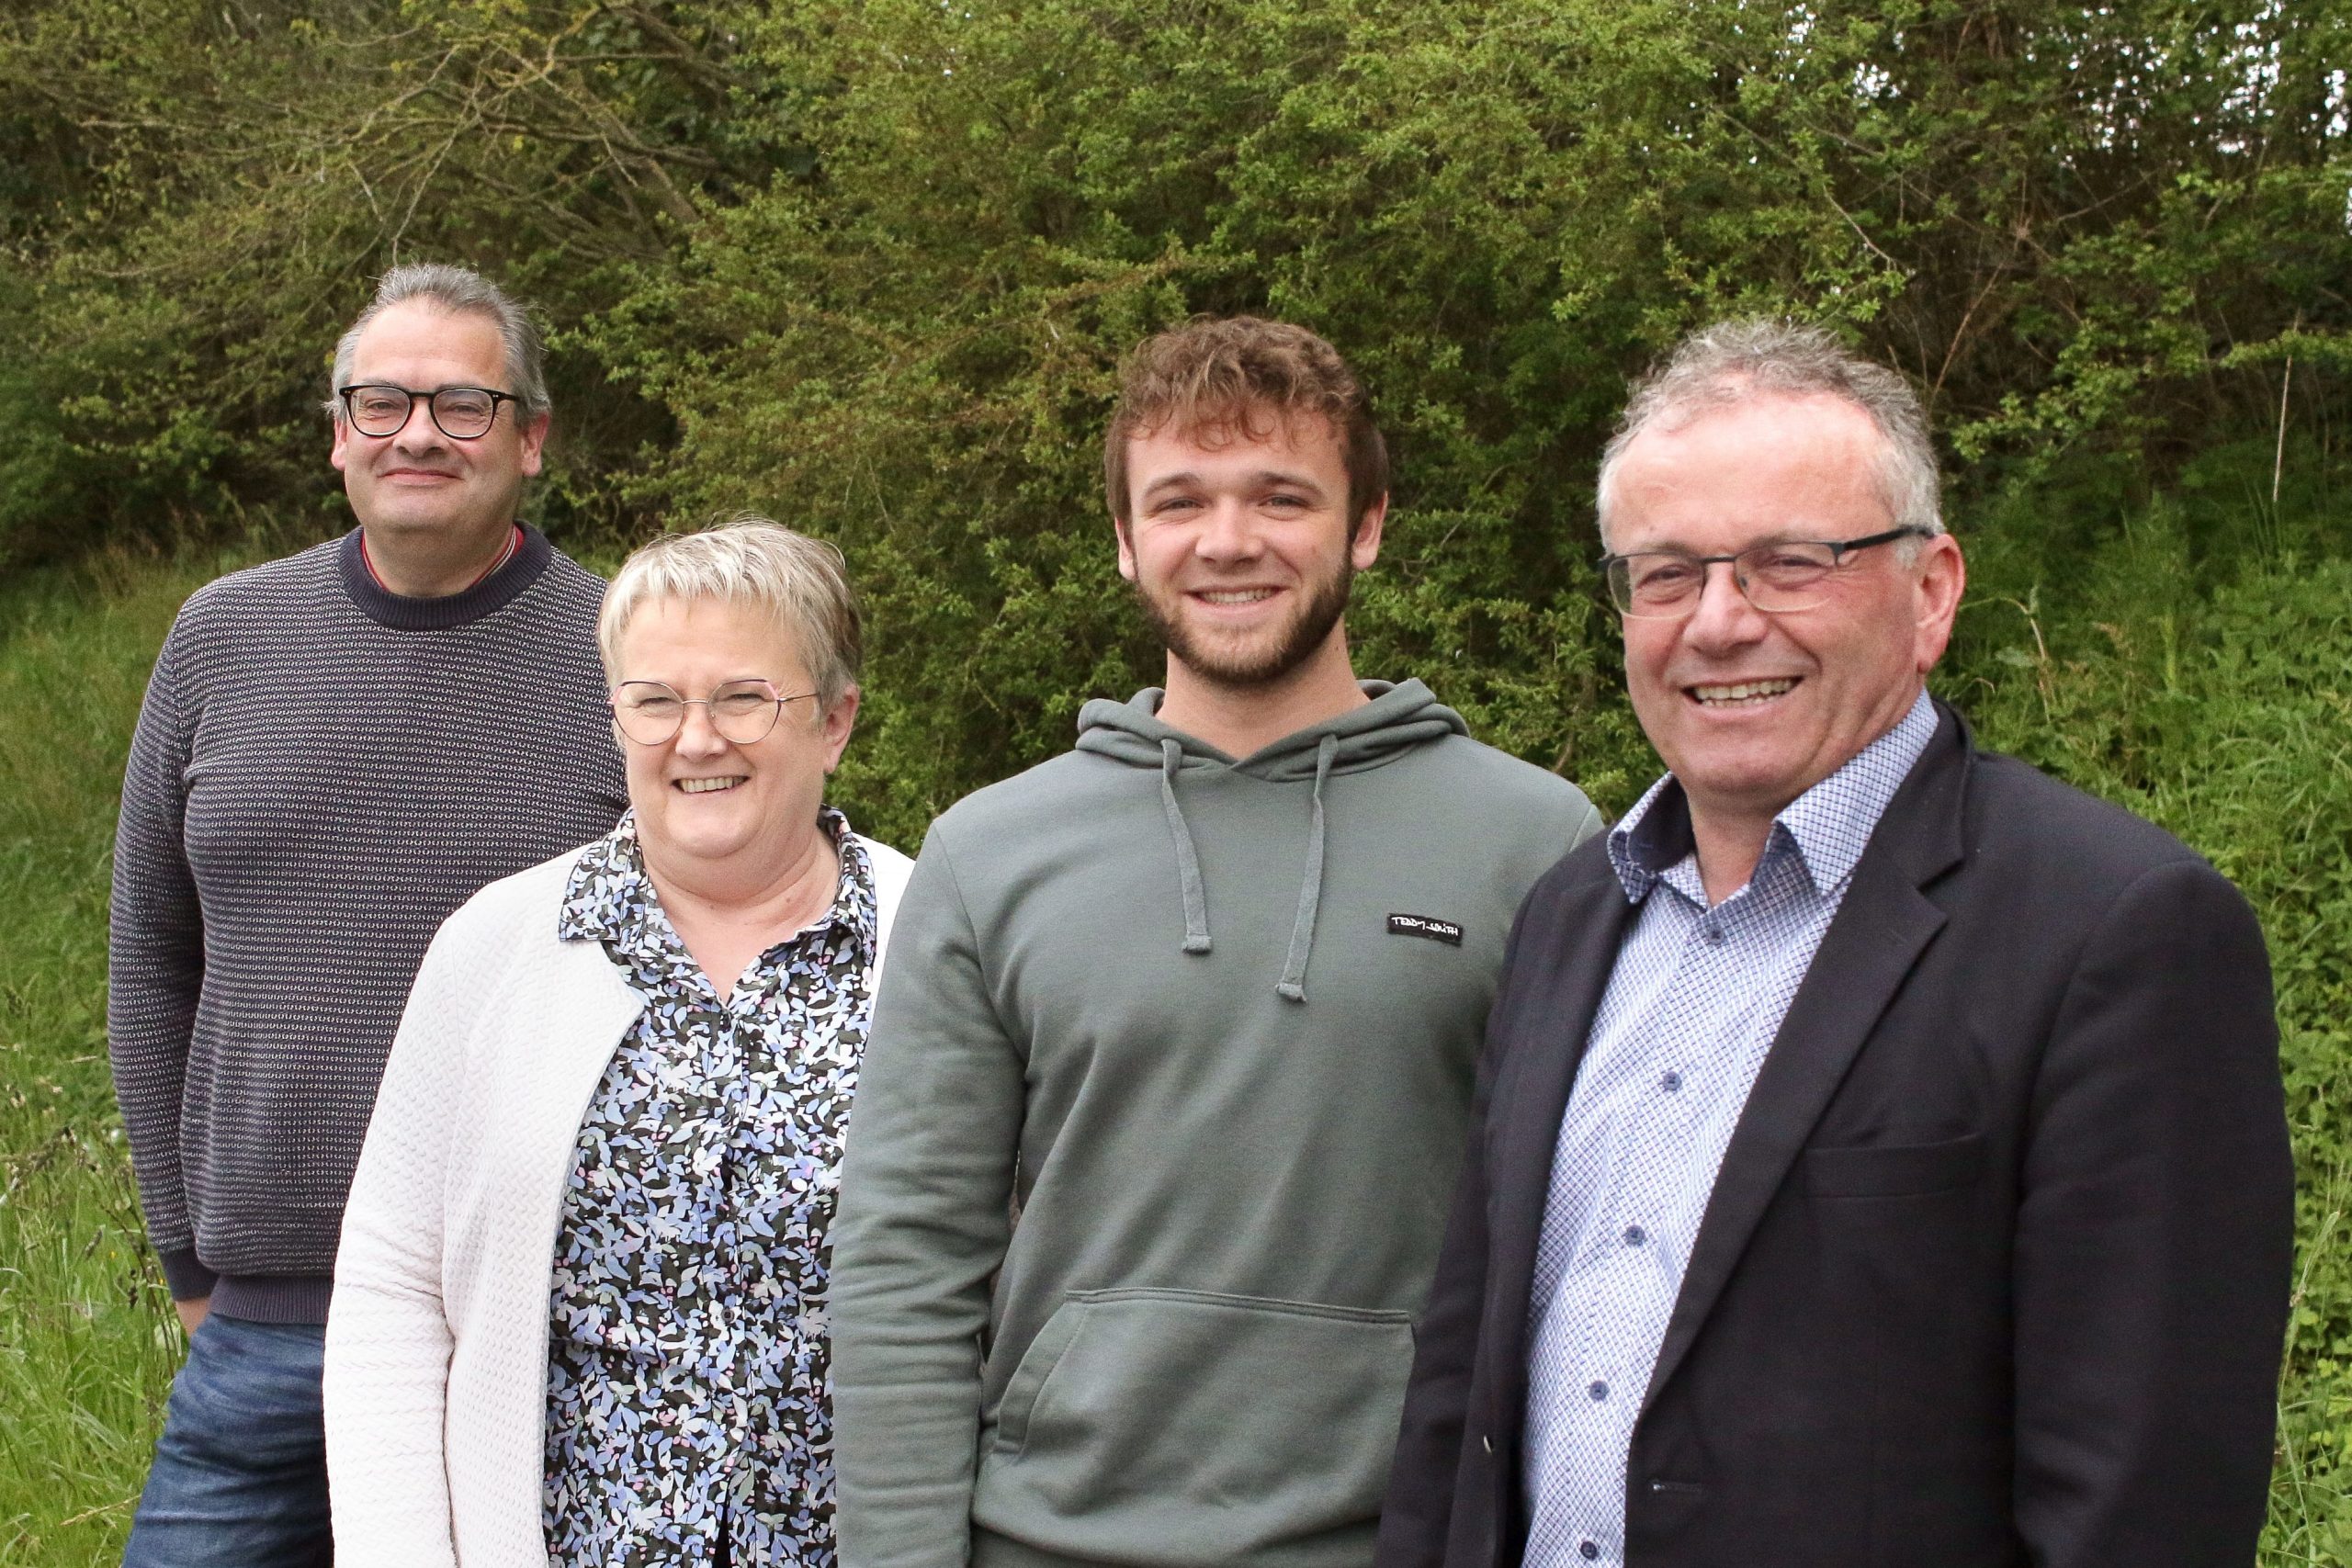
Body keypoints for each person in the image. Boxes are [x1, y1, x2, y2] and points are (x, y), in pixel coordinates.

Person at [1375, 319, 2294, 1568]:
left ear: (1932, 592)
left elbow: (2144, 1500)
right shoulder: (1568, 915)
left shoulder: (2116, 934)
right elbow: (1462, 1397)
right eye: (1664, 572)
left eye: (1788, 562)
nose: (1717, 621)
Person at [829, 316, 1603, 1568]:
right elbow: (907, 1258)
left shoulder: (1534, 839)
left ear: (1367, 524)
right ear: (1128, 543)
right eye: (1179, 500)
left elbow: (1587, 1254)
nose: (1229, 539)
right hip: (1050, 1539)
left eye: (1281, 495)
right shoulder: (992, 852)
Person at [107, 262, 628, 1565]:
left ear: (532, 439)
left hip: (534, 1323)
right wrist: (186, 1257)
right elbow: (148, 960)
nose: (417, 432)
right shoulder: (221, 636)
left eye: (463, 402)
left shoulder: (628, 652)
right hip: (263, 1326)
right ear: (339, 433)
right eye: (382, 400)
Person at [322, 519, 914, 1567]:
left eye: (743, 697)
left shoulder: (937, 941)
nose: (697, 739)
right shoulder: (497, 947)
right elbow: (390, 1291)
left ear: (835, 720)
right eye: (655, 701)